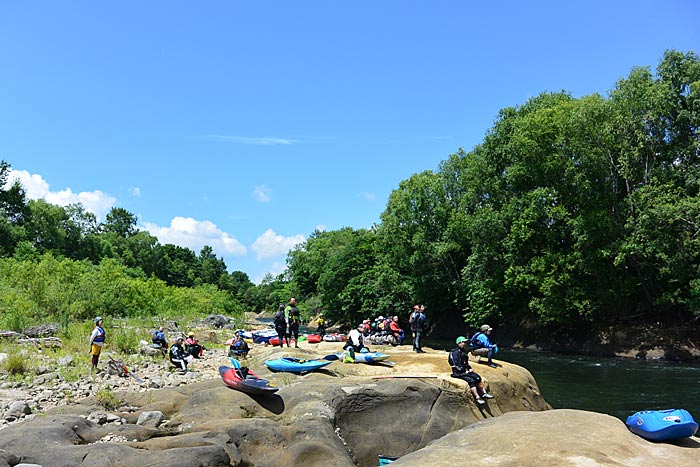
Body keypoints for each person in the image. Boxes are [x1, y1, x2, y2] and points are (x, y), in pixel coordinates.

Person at [449, 336, 495, 405]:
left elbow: (466, 363)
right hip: (458, 372)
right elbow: (455, 364)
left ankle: (484, 393)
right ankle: (477, 398)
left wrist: (469, 368)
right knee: (472, 380)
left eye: (465, 342)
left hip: (465, 371)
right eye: (463, 342)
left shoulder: (463, 352)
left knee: (478, 378)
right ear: (459, 343)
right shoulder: (454, 352)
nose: (465, 344)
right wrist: (464, 370)